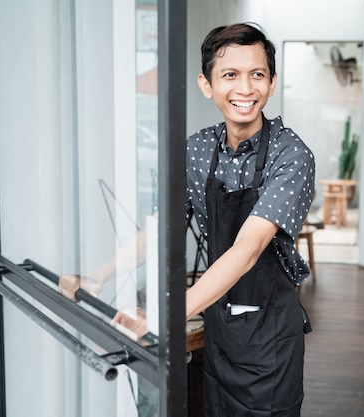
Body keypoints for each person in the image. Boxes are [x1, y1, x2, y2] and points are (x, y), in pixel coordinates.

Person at [60, 23, 315, 416]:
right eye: (230, 75)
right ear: (206, 84)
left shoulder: (291, 156)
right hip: (219, 328)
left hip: (271, 340)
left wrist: (167, 317)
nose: (245, 89)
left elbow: (247, 251)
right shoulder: (197, 150)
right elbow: (163, 231)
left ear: (273, 82)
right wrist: (98, 276)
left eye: (257, 74)